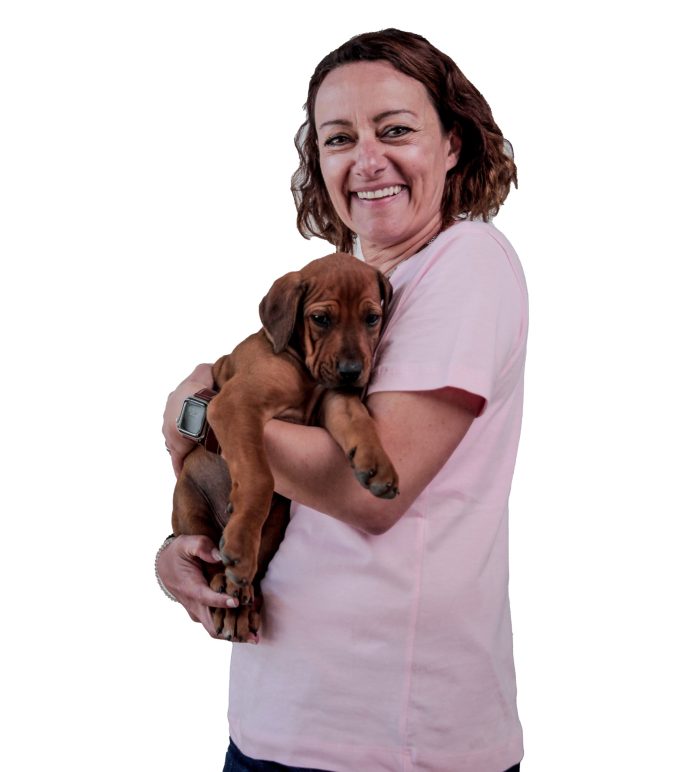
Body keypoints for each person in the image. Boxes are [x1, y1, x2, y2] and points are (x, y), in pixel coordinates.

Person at [158, 28, 527, 772]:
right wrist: (183, 549)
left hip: (394, 739)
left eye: (395, 130)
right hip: (275, 716)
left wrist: (201, 412)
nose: (366, 160)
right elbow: (283, 481)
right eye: (338, 138)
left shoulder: (466, 263)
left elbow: (368, 496)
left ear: (453, 144)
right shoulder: (354, 282)